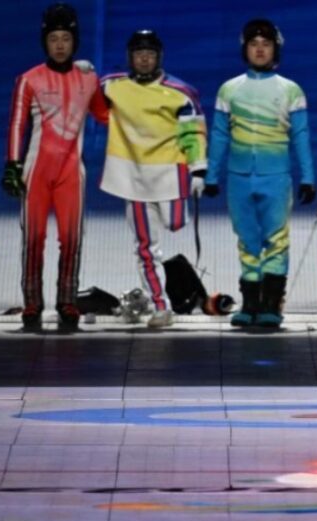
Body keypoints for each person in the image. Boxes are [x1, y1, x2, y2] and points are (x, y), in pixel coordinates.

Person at [2, 3, 108, 332]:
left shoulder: (88, 79)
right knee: (33, 238)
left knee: (71, 239)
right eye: (53, 39)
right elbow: (17, 124)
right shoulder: (29, 79)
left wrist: (122, 91)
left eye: (65, 38)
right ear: (44, 42)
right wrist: (12, 164)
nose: (60, 45)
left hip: (71, 173)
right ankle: (32, 302)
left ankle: (67, 300)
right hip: (36, 172)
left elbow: (105, 115)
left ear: (74, 41)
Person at [204, 18, 315, 329]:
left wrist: (308, 177)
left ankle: (271, 305)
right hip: (238, 177)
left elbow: (301, 136)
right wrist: (211, 176)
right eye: (254, 44)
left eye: (266, 44)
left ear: (275, 49)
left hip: (276, 177)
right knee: (247, 240)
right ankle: (250, 303)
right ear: (245, 49)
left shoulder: (291, 90)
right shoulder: (229, 89)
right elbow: (219, 135)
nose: (260, 49)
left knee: (276, 240)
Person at [99, 30, 207, 329]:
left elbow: (193, 132)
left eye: (150, 54)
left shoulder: (180, 92)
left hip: (170, 173)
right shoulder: (112, 86)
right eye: (139, 54)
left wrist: (198, 169)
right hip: (133, 177)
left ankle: (172, 286)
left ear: (159, 57)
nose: (144, 59)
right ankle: (161, 306)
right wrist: (82, 73)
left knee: (175, 224)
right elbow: (87, 96)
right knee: (146, 247)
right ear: (130, 57)